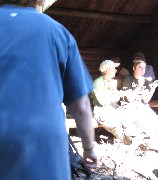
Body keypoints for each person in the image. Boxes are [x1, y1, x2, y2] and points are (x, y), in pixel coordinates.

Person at [0, 1, 97, 179]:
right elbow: (81, 106)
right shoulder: (56, 31)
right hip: (45, 146)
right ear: (38, 1)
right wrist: (89, 149)